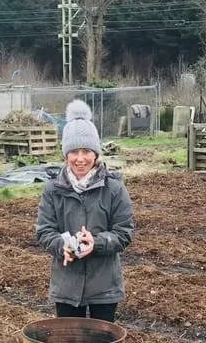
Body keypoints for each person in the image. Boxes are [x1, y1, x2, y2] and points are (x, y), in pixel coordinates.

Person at [36, 99, 134, 323]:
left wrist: (96, 242)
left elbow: (124, 232)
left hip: (104, 285)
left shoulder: (113, 187)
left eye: (87, 151)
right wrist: (63, 247)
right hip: (67, 285)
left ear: (96, 154)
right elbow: (44, 231)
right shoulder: (53, 189)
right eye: (74, 152)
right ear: (65, 155)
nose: (80, 159)